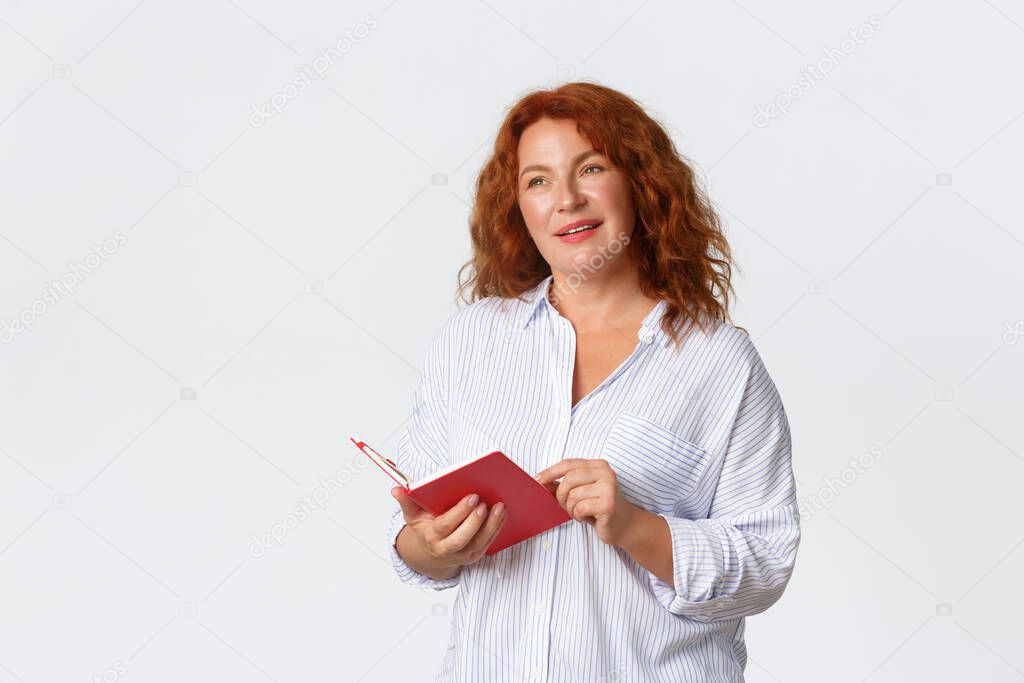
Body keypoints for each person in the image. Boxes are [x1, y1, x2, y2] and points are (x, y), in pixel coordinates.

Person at [386, 81, 799, 682]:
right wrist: (430, 547)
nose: (567, 199)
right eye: (538, 180)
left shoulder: (719, 363)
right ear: (518, 209)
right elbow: (414, 537)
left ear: (639, 183)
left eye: (591, 167)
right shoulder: (470, 340)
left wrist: (636, 526)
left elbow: (764, 564)